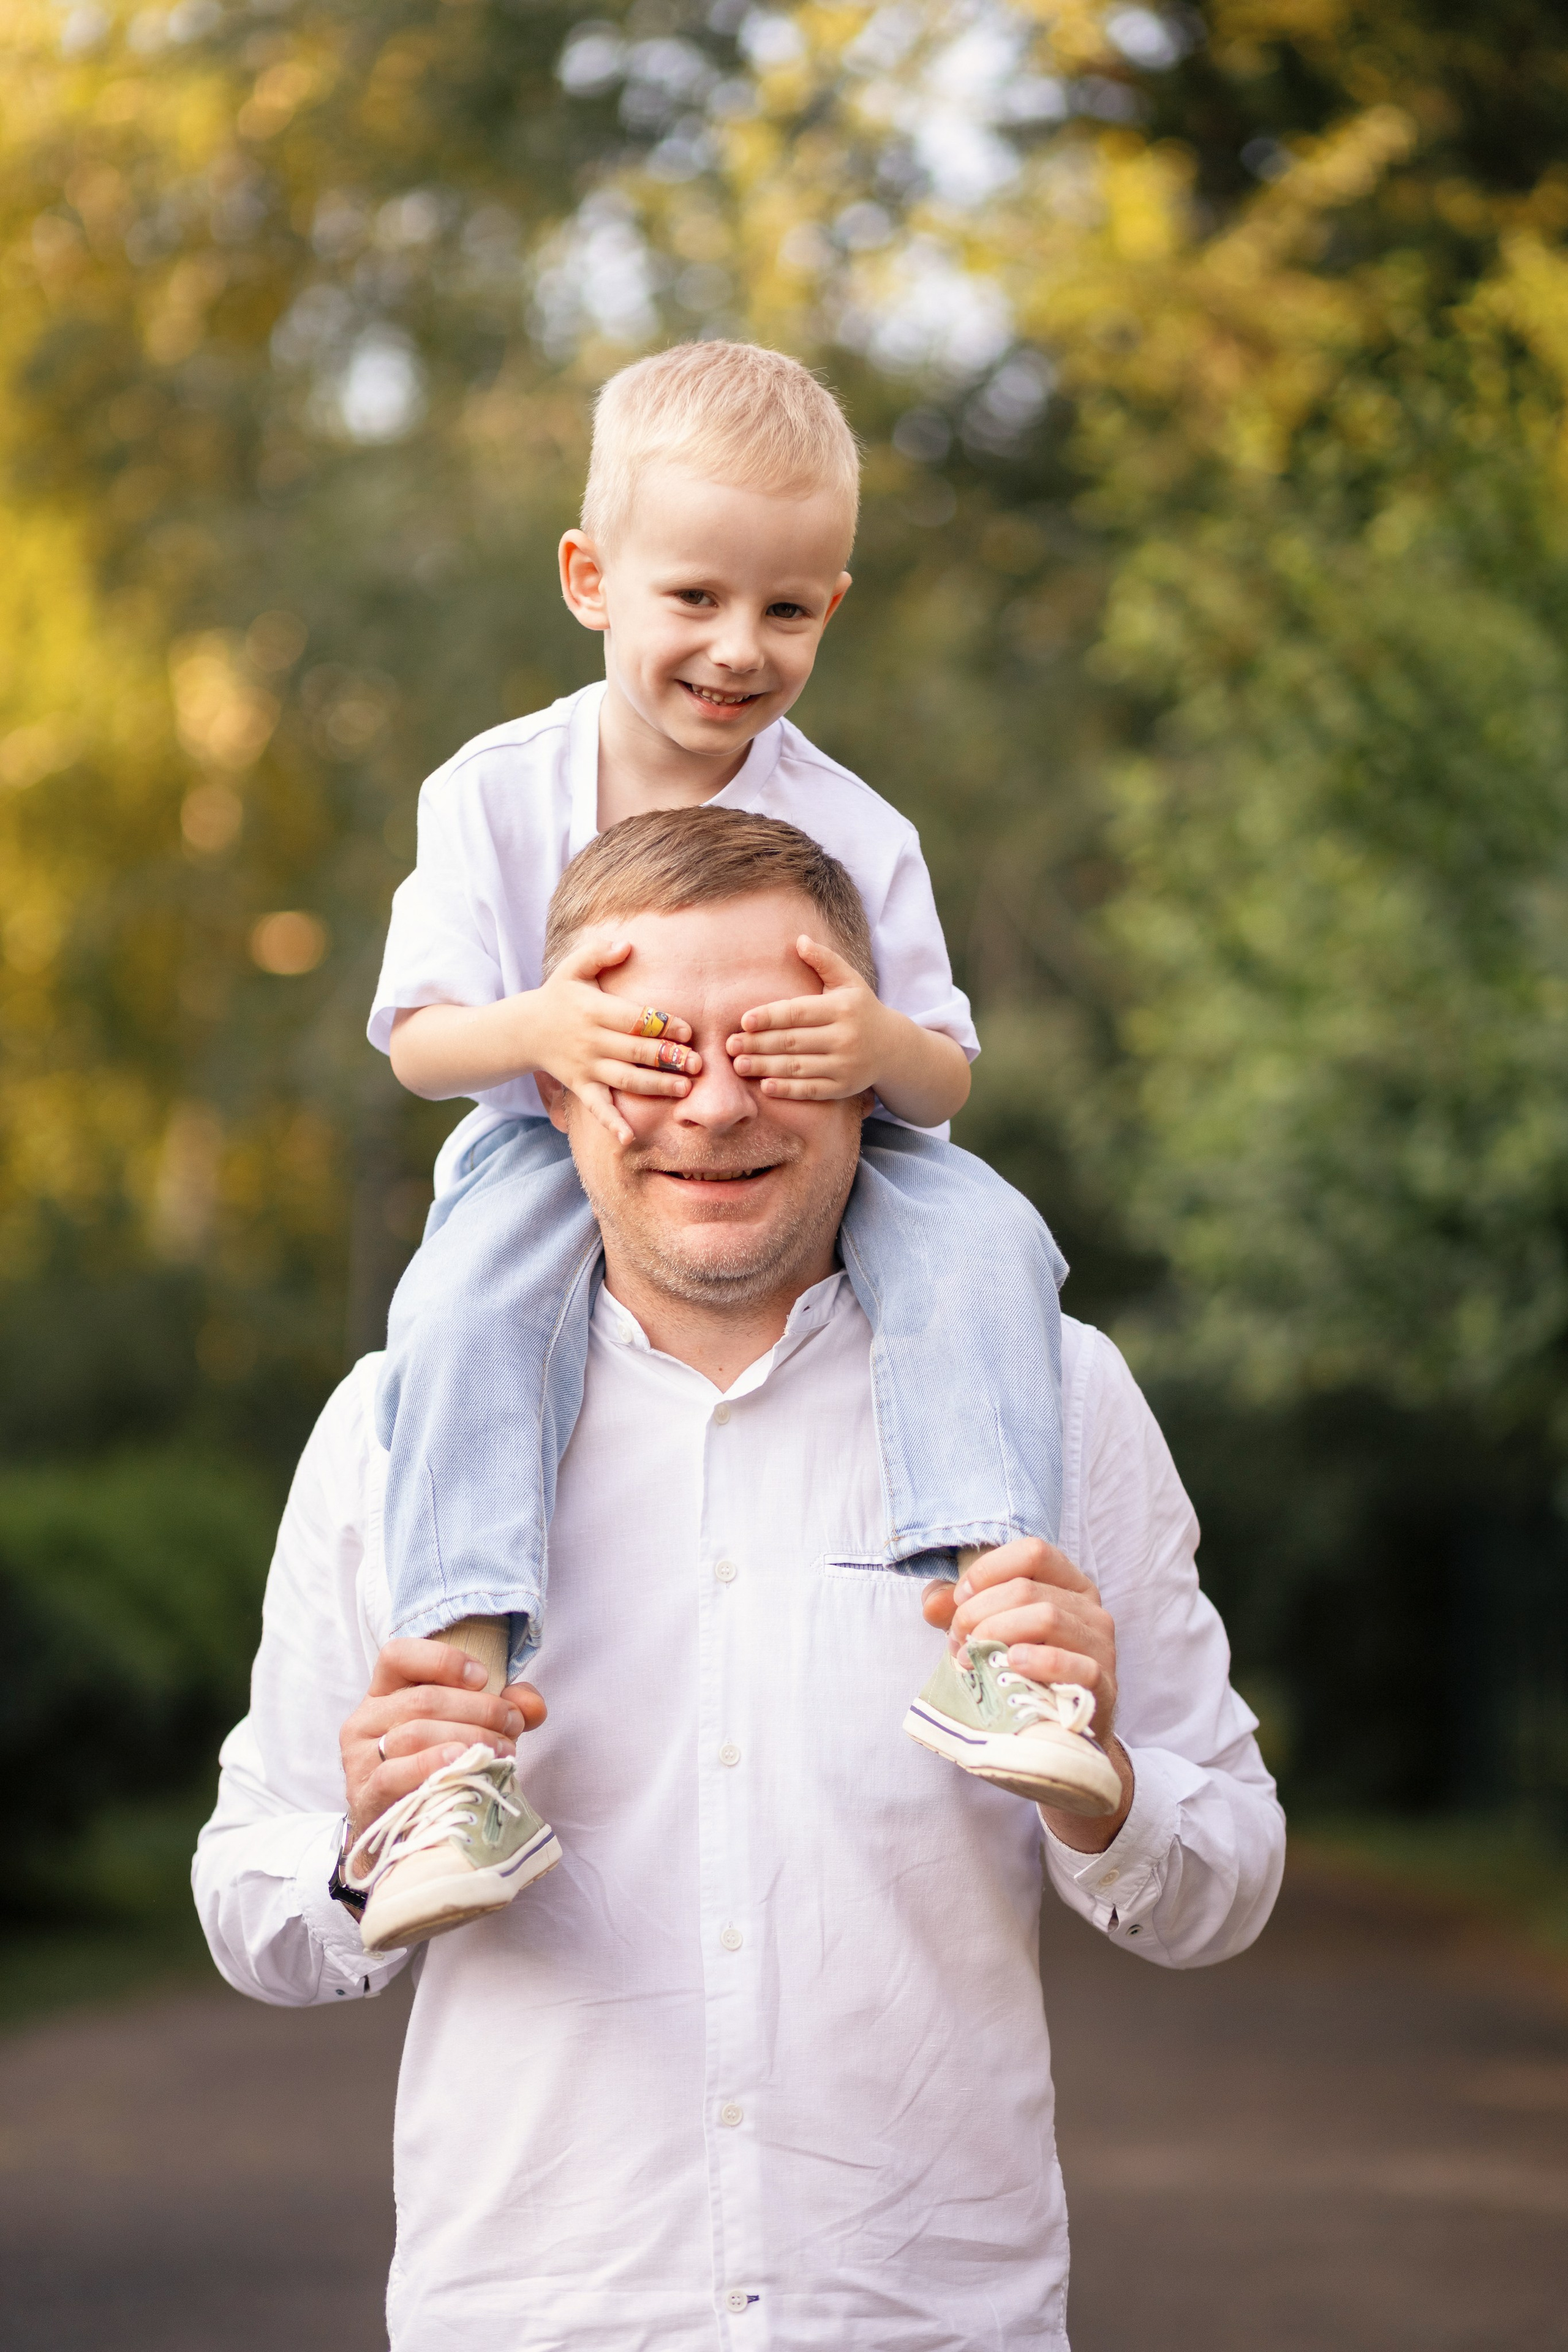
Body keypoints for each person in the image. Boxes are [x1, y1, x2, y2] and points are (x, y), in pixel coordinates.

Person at [194, 812, 1286, 2352]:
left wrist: (1103, 1784)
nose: (710, 1108)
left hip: (928, 2317)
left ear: (869, 1068)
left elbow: (1224, 1878)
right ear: (554, 1088)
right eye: (649, 1055)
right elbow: (249, 1899)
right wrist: (357, 1856)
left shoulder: (1056, 1400)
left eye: (775, 1048)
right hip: (532, 2315)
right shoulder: (396, 1432)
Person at [360, 341, 1085, 1950]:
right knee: (464, 1301)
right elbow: (421, 1043)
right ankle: (457, 1724)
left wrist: (872, 1048)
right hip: (555, 1143)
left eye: (788, 609)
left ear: (835, 601)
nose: (737, 648)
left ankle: (997, 1629)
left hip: (830, 1152)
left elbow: (945, 1074)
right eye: (693, 598)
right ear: (589, 579)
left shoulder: (859, 829)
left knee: (989, 1240)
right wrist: (541, 1030)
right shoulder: (496, 793)